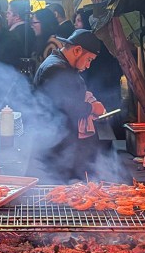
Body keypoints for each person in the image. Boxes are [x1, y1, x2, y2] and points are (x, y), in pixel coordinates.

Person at [31, 29, 106, 182]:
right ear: (77, 50)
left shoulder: (60, 65)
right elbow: (69, 107)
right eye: (89, 59)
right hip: (56, 148)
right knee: (59, 194)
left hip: (61, 146)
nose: (88, 65)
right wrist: (93, 108)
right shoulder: (56, 69)